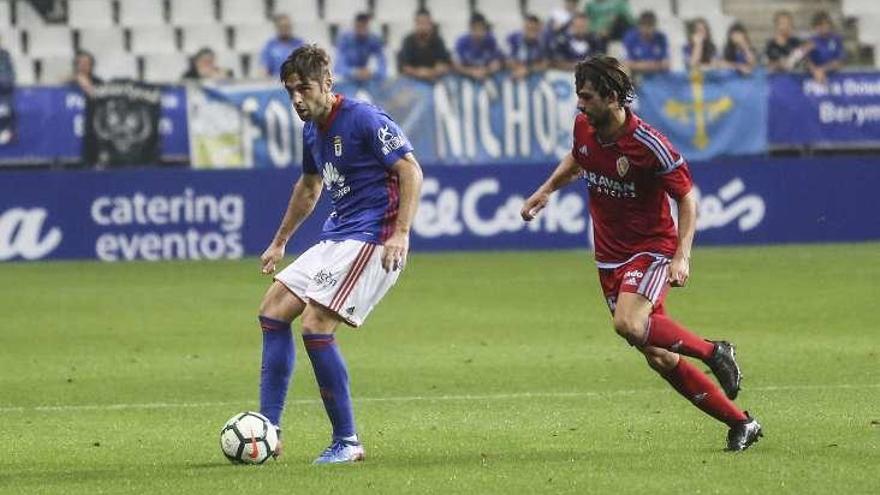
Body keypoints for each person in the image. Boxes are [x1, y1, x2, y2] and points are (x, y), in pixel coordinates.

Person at [520, 55, 763, 452]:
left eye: (587, 96)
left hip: (651, 249)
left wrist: (681, 255)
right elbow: (578, 158)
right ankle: (742, 423)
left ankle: (714, 351)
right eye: (578, 96)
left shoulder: (650, 145)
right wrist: (546, 189)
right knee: (659, 357)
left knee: (628, 324)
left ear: (613, 97)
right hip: (609, 257)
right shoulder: (585, 125)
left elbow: (686, 197)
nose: (580, 104)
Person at [257, 44, 423, 464]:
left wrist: (401, 233)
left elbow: (410, 170)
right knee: (273, 310)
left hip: (374, 237)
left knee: (315, 325)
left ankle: (346, 441)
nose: (296, 99)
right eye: (289, 91)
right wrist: (280, 241)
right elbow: (309, 188)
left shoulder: (364, 118)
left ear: (327, 84)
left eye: (304, 88)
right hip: (338, 236)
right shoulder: (311, 130)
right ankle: (267, 431)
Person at [397, 8, 452, 82]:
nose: (422, 27)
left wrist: (428, 73)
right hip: (412, 80)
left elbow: (444, 65)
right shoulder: (408, 40)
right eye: (420, 23)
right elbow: (405, 67)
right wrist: (418, 73)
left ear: (430, 23)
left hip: (435, 79)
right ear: (415, 23)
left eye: (425, 23)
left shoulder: (438, 40)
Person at [334, 12, 387, 83]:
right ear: (355, 25)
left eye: (364, 26)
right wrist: (355, 72)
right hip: (348, 80)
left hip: (368, 79)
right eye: (359, 26)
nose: (362, 30)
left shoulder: (373, 39)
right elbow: (339, 67)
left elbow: (382, 63)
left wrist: (373, 72)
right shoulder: (345, 40)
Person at [454, 12, 504, 80]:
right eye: (475, 29)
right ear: (470, 28)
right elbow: (456, 65)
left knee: (500, 78)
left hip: (486, 74)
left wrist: (486, 71)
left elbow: (496, 63)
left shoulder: (491, 40)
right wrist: (472, 72)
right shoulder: (461, 42)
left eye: (480, 28)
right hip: (467, 75)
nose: (478, 32)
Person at [622, 10, 669, 76]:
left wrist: (640, 65)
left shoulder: (661, 37)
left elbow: (666, 64)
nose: (647, 30)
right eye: (644, 26)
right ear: (639, 26)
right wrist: (652, 65)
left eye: (650, 26)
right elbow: (626, 63)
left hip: (657, 76)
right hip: (636, 76)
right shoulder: (630, 37)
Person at [507, 14, 550, 79]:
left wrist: (528, 70)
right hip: (515, 74)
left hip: (534, 76)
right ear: (524, 27)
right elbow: (508, 60)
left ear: (539, 29)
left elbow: (545, 63)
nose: (531, 32)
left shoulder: (543, 42)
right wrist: (518, 68)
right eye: (529, 28)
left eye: (534, 29)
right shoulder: (514, 39)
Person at [806, 11, 844, 84]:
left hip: (835, 80)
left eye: (826, 24)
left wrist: (822, 70)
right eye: (820, 25)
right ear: (815, 27)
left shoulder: (836, 40)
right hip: (814, 79)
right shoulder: (811, 41)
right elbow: (806, 61)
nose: (823, 27)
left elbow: (838, 62)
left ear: (830, 24)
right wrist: (815, 71)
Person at [0, 36, 15, 145]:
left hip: (3, 97)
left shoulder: (5, 56)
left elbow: (9, 80)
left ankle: (6, 133)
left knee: (6, 111)